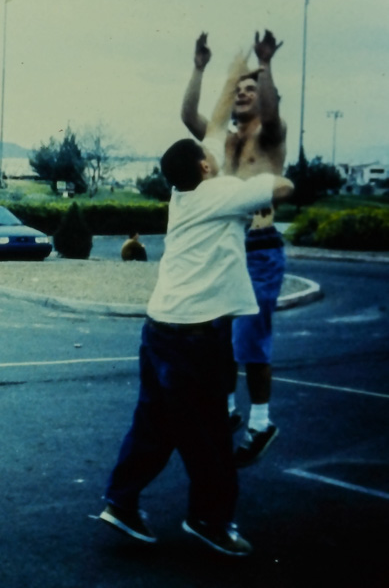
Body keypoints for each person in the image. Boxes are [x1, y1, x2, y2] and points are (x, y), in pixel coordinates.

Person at [96, 137, 294, 557]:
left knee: (154, 422)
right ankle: (209, 520)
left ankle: (121, 501)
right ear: (204, 168)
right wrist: (256, 178)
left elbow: (209, 158)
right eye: (211, 158)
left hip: (159, 329)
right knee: (210, 434)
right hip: (195, 338)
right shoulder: (221, 192)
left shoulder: (180, 195)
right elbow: (284, 187)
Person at [181, 30, 288, 467]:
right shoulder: (222, 141)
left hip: (260, 249)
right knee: (219, 338)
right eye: (239, 88)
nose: (243, 94)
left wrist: (263, 65)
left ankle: (261, 422)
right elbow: (189, 115)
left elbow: (274, 109)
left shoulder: (270, 137)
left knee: (249, 340)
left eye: (251, 90)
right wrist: (200, 67)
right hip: (228, 249)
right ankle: (227, 411)